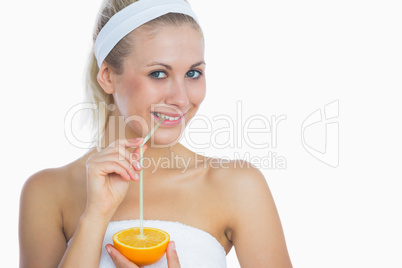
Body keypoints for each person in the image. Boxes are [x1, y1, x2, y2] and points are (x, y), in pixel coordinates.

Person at [19, 0, 292, 267]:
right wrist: (94, 217)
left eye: (193, 73)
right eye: (159, 74)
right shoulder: (47, 193)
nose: (181, 99)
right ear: (107, 76)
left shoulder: (238, 186)